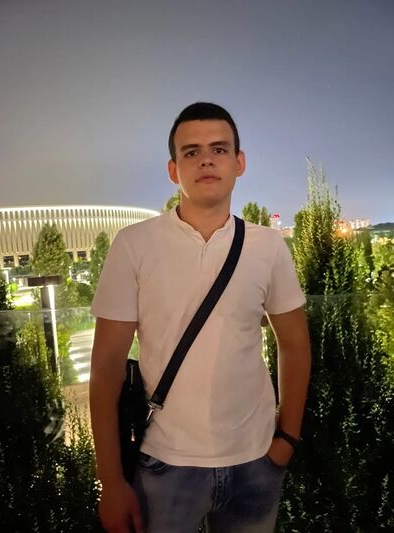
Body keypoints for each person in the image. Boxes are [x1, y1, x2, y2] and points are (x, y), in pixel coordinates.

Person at [89, 102, 311, 533]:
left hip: (256, 459)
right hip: (165, 463)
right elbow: (106, 366)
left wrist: (287, 438)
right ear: (173, 170)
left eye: (219, 149)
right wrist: (111, 481)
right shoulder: (134, 245)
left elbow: (294, 343)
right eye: (191, 152)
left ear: (239, 162)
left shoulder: (268, 246)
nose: (206, 160)